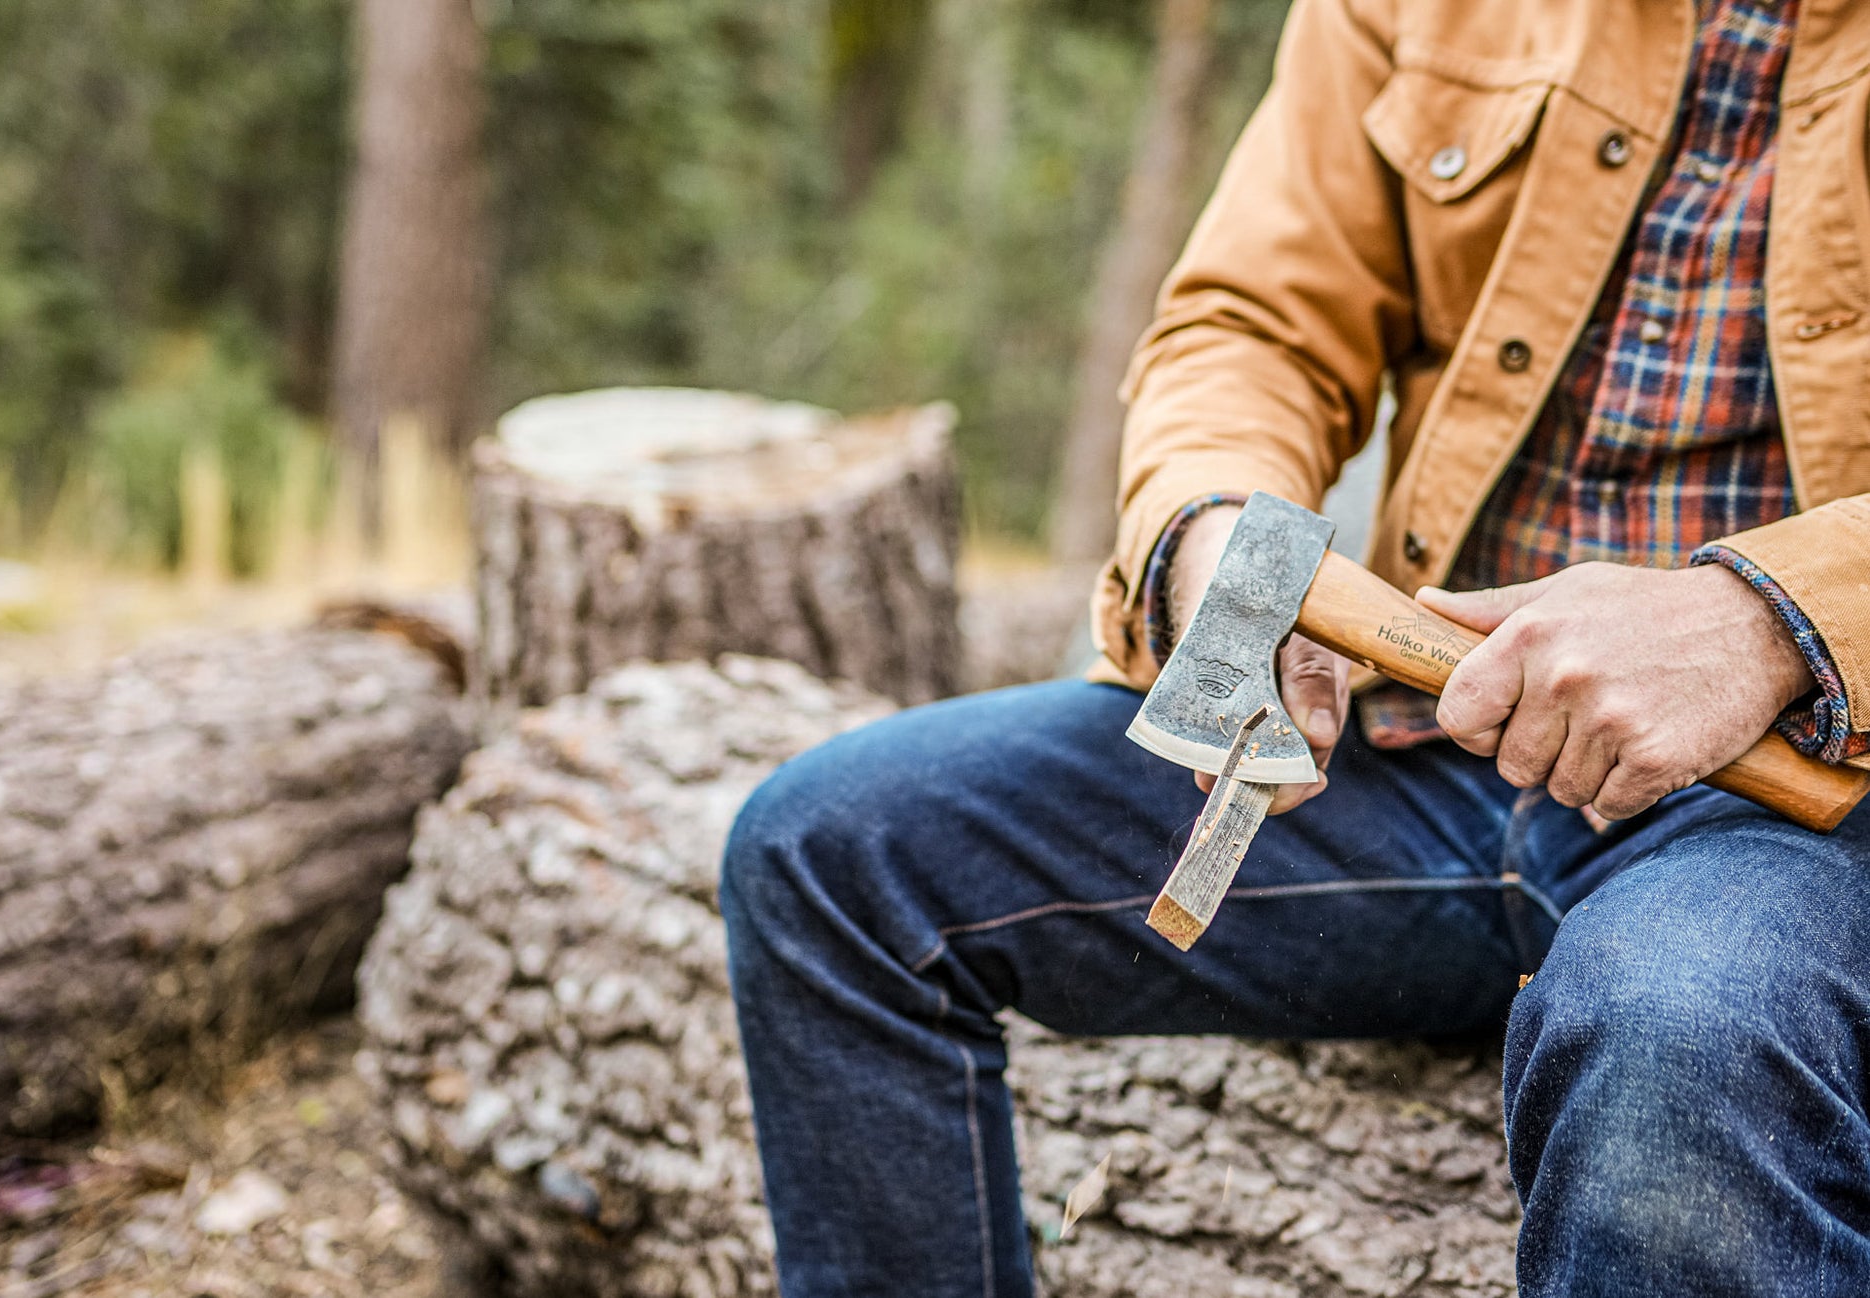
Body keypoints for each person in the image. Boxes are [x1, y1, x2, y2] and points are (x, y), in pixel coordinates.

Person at [720, 0, 1870, 1293]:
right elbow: (1253, 321)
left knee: (1682, 1031)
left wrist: (1773, 618)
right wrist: (1214, 528)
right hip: (1433, 734)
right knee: (836, 854)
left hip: (1809, 809)